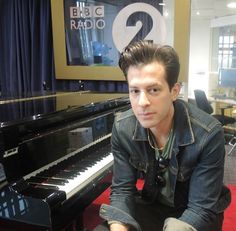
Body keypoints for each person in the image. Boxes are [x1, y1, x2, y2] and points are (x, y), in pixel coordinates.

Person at [96, 40, 231, 231]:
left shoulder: (208, 133)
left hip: (195, 214)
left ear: (174, 91)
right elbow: (122, 190)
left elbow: (201, 209)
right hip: (153, 206)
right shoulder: (122, 128)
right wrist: (119, 227)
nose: (142, 102)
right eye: (135, 91)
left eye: (153, 90)